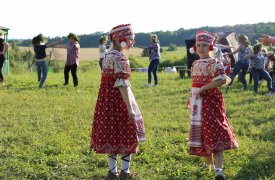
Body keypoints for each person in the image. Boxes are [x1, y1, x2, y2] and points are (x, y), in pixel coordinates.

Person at [90, 24, 145, 180]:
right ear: (120, 39)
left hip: (106, 101)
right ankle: (125, 171)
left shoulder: (108, 54)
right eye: (130, 39)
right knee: (128, 132)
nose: (131, 43)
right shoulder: (120, 57)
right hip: (118, 100)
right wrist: (130, 108)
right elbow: (122, 84)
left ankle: (112, 172)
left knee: (111, 133)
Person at [187, 30, 239, 180]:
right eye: (198, 45)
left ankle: (219, 169)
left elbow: (222, 79)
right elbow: (194, 83)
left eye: (204, 45)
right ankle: (207, 164)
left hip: (210, 102)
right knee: (202, 132)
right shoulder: (196, 63)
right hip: (197, 102)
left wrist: (203, 88)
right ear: (195, 47)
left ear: (210, 47)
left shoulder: (214, 62)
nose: (201, 48)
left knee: (215, 131)